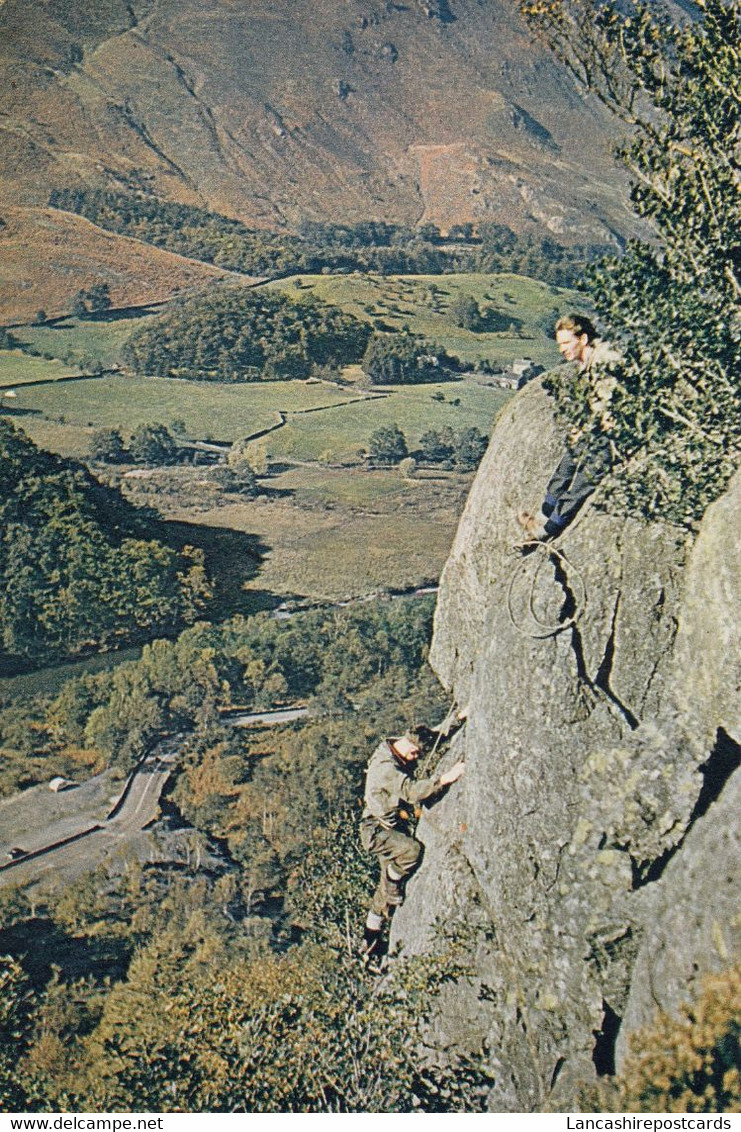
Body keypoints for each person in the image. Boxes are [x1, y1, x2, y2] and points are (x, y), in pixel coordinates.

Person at [359, 729, 465, 967]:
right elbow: (412, 792)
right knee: (411, 852)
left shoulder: (396, 746)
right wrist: (446, 778)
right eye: (416, 754)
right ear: (408, 747)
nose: (416, 759)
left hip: (388, 826)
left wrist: (459, 717)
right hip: (377, 830)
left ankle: (369, 941)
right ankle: (392, 879)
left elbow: (434, 733)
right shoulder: (386, 768)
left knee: (384, 894)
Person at [517, 314, 620, 542]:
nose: (562, 350)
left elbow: (610, 405)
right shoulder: (585, 363)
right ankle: (544, 514)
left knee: (590, 470)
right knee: (570, 455)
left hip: (618, 431)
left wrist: (587, 429)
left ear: (582, 338)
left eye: (566, 343)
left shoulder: (606, 359)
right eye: (560, 344)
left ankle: (549, 528)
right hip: (601, 426)